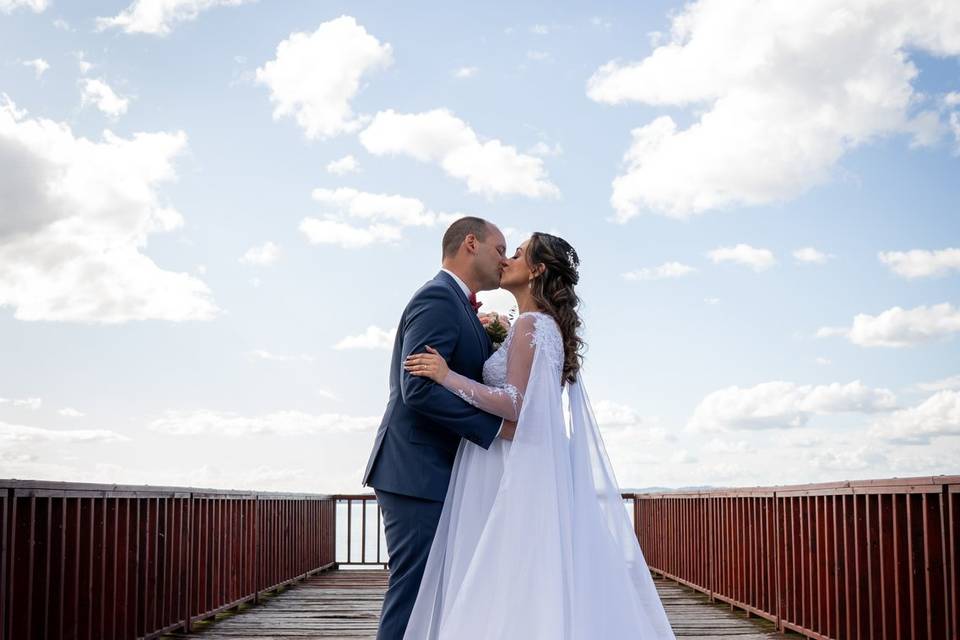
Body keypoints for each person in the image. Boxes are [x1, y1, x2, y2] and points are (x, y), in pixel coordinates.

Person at [401, 232, 676, 639]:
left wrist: (446, 374)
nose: (507, 259)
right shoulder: (541, 327)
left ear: (538, 270)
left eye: (517, 254)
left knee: (502, 575)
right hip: (529, 463)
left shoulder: (532, 324)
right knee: (521, 573)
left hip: (506, 463)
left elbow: (514, 402)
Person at [361, 216, 513, 640]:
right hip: (416, 469)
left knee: (440, 591)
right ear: (471, 244)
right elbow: (419, 390)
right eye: (500, 249)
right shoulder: (438, 298)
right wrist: (496, 428)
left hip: (438, 469)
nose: (504, 259)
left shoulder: (459, 304)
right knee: (414, 592)